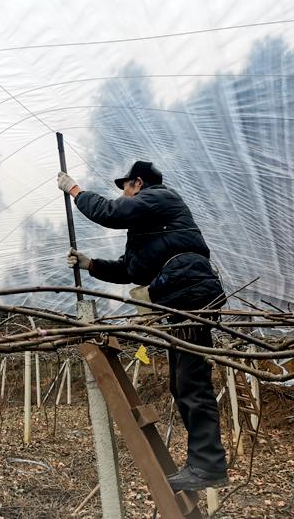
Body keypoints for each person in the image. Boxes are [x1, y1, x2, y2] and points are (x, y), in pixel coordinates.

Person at [57, 161, 229, 491]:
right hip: (181, 296)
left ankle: (208, 466)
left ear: (138, 183)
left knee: (192, 383)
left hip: (190, 291)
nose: (124, 195)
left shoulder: (160, 197)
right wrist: (91, 264)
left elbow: (109, 212)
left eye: (126, 189)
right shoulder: (151, 227)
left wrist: (75, 191)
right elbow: (132, 269)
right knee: (183, 384)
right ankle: (203, 464)